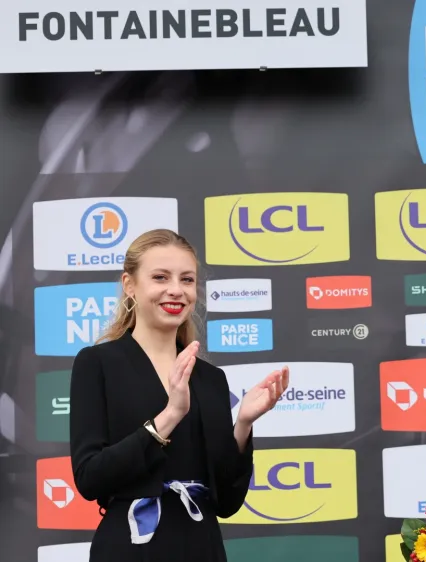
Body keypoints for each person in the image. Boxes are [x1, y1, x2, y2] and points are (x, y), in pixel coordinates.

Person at [69, 228, 290, 562]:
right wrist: (169, 416)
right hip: (131, 547)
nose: (175, 290)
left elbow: (227, 504)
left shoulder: (212, 379)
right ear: (130, 285)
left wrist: (243, 425)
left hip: (202, 547)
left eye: (187, 280)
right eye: (160, 277)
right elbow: (90, 478)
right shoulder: (98, 363)